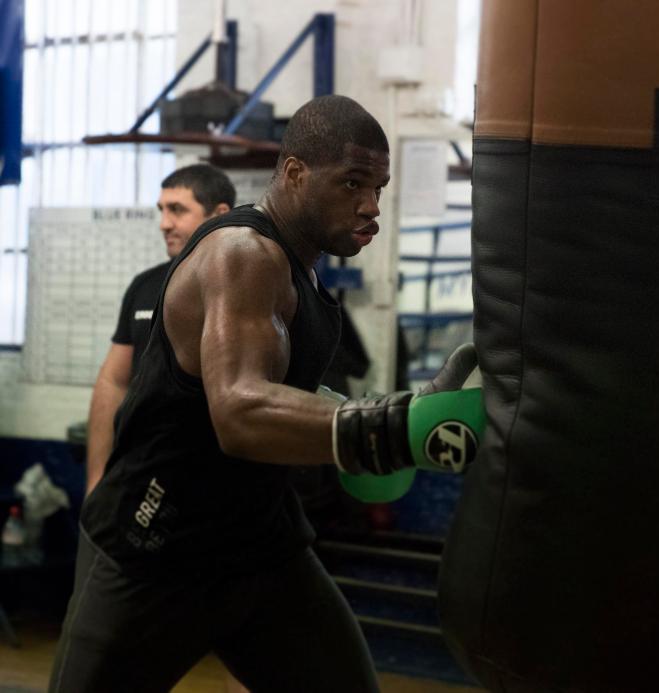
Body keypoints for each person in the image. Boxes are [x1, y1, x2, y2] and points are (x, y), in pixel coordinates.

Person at [49, 94, 477, 693]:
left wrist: (402, 414)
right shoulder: (242, 255)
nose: (370, 205)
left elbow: (285, 390)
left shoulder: (303, 265)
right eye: (352, 182)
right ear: (297, 173)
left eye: (378, 187)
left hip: (259, 548)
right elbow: (240, 411)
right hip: (155, 550)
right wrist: (384, 429)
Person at [85, 164, 236, 495]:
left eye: (177, 210)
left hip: (217, 482)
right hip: (139, 474)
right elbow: (113, 381)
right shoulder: (145, 286)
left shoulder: (244, 288)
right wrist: (97, 479)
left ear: (219, 214)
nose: (164, 223)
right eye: (162, 210)